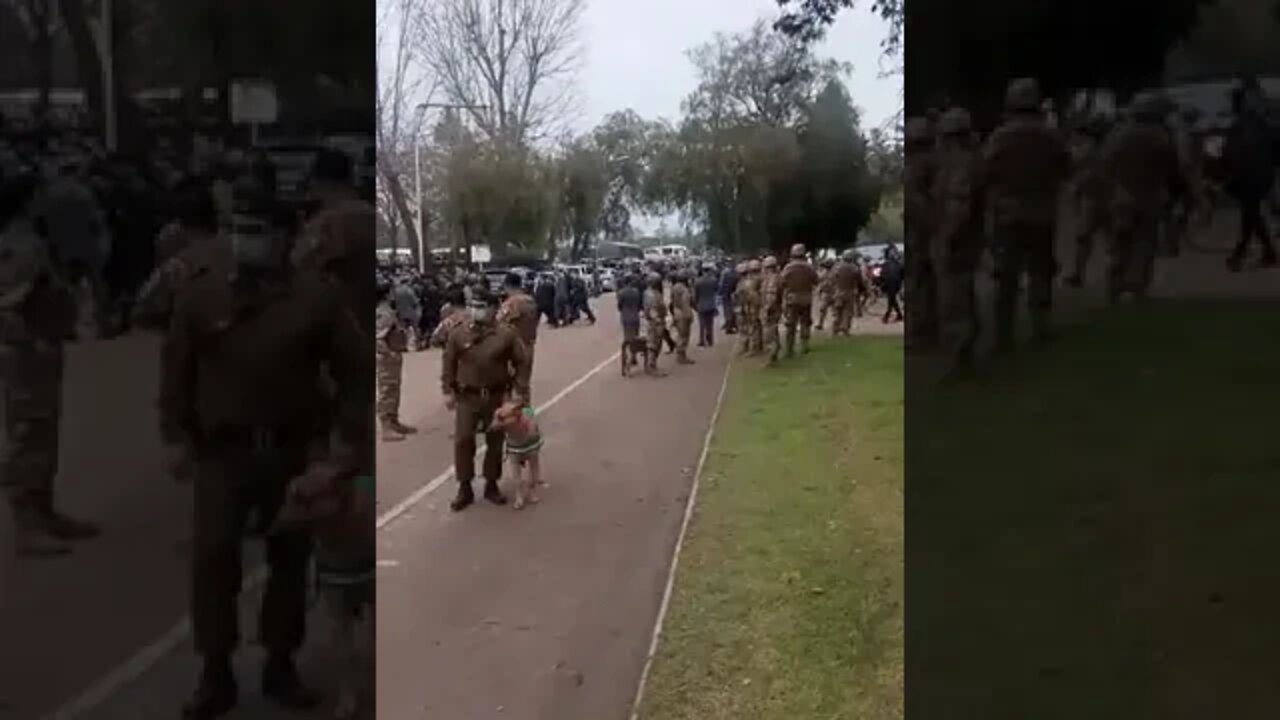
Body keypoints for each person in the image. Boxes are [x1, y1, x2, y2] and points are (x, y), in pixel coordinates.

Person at [160, 174, 371, 718]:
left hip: (292, 454)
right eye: (237, 228)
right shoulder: (200, 292)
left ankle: (281, 664)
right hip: (221, 454)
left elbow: (355, 375)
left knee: (290, 562)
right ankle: (216, 673)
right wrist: (174, 436)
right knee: (213, 563)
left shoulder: (314, 298)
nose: (243, 240)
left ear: (284, 236)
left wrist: (343, 452)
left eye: (256, 230)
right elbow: (176, 373)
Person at [0, 173, 98, 557]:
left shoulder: (32, 241)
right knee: (28, 434)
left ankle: (44, 511)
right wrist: (31, 340)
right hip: (25, 353)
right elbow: (6, 305)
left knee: (45, 430)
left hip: (40, 347)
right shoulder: (19, 248)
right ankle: (26, 524)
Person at [982, 77, 1069, 348]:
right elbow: (1066, 167)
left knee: (1006, 277)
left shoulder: (1000, 136)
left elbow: (984, 172)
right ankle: (1040, 328)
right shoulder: (1050, 135)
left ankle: (1003, 335)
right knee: (1041, 272)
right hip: (1042, 213)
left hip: (1008, 215)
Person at [440, 286, 532, 512]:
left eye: (481, 306)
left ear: (493, 309)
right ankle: (465, 487)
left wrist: (520, 391)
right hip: (467, 396)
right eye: (473, 305)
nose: (475, 310)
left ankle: (491, 484)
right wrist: (447, 390)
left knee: (495, 441)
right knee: (463, 441)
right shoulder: (458, 333)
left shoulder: (506, 334)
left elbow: (522, 361)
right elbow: (448, 363)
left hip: (496, 396)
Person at [375, 281, 417, 441]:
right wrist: (388, 353)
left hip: (392, 355)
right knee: (387, 390)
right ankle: (386, 426)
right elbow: (378, 338)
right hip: (386, 357)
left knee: (394, 389)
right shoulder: (384, 314)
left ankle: (393, 421)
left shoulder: (387, 311)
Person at [496, 271, 541, 396]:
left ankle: (510, 413)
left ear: (507, 286)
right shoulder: (530, 301)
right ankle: (527, 413)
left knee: (506, 385)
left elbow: (498, 322)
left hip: (513, 349)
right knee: (524, 384)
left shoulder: (511, 303)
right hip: (529, 345)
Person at [778, 243, 820, 356]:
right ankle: (804, 346)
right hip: (806, 298)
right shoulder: (809, 267)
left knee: (791, 325)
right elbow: (816, 281)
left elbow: (781, 283)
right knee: (805, 322)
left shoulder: (788, 267)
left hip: (792, 299)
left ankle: (789, 349)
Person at [616, 274, 644, 376]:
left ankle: (627, 366)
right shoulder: (636, 291)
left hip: (626, 317)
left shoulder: (621, 292)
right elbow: (639, 305)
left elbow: (619, 306)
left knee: (628, 341)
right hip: (635, 316)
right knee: (635, 338)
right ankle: (634, 358)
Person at [642, 273, 669, 376]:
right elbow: (652, 310)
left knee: (655, 343)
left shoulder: (650, 292)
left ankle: (651, 365)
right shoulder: (652, 294)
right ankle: (651, 366)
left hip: (656, 320)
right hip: (655, 322)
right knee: (654, 344)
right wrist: (657, 320)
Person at [758, 256, 783, 365]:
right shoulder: (775, 277)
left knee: (768, 335)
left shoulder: (772, 279)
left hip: (771, 310)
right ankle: (775, 353)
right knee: (773, 331)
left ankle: (771, 358)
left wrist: (766, 309)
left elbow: (771, 296)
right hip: (774, 309)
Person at [668, 270, 696, 364]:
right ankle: (681, 356)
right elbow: (685, 303)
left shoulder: (674, 287)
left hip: (676, 311)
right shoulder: (684, 289)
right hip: (683, 313)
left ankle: (680, 354)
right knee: (684, 335)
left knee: (680, 334)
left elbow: (671, 302)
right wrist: (689, 315)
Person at [693, 264, 718, 346]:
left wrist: (695, 304)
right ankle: (710, 339)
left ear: (703, 270)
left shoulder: (698, 281)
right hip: (711, 304)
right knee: (710, 323)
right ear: (710, 270)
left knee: (702, 324)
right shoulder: (714, 280)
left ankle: (701, 340)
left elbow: (696, 295)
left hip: (701, 304)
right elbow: (716, 290)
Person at [718, 261, 739, 334]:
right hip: (734, 295)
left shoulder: (725, 274)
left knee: (727, 312)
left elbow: (722, 284)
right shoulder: (737, 275)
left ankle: (729, 326)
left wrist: (720, 293)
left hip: (726, 295)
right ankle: (734, 325)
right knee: (734, 311)